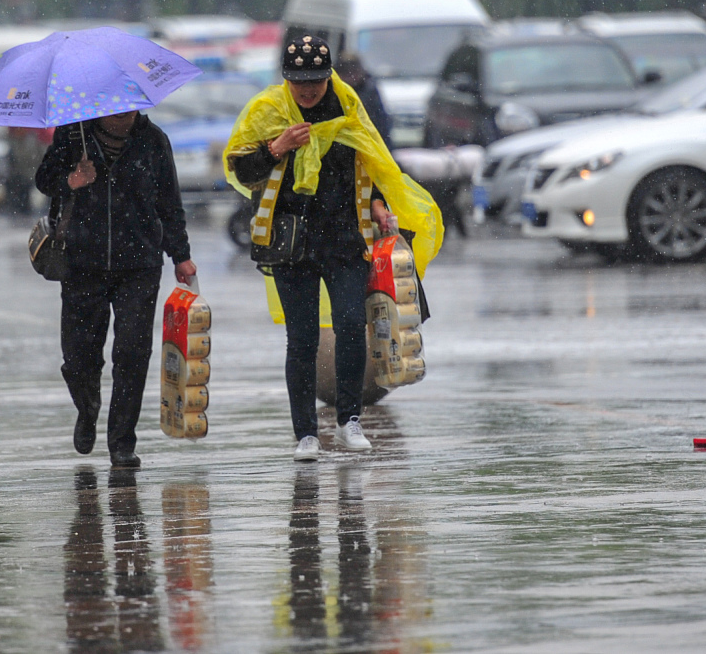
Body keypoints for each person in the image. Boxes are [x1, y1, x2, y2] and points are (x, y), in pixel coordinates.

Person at [224, 33, 443, 462]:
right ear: (286, 79)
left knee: (348, 325)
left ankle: (349, 421)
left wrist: (379, 206)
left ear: (329, 77)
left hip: (345, 237)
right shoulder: (267, 111)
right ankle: (306, 433)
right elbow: (243, 169)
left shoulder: (348, 109)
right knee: (302, 338)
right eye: (299, 82)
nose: (308, 91)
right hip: (291, 244)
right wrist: (277, 147)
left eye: (316, 82)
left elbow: (374, 162)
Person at [36, 110, 196, 469]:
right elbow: (43, 180)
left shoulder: (153, 140)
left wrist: (181, 255)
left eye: (130, 106)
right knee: (78, 358)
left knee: (133, 354)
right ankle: (87, 406)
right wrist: (72, 181)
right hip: (82, 262)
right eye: (115, 107)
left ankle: (122, 442)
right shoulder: (72, 135)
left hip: (139, 265)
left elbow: (169, 203)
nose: (123, 114)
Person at [334, 54, 392, 148]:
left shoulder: (369, 90)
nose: (351, 77)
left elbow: (380, 121)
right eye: (346, 74)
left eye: (353, 73)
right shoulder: (333, 90)